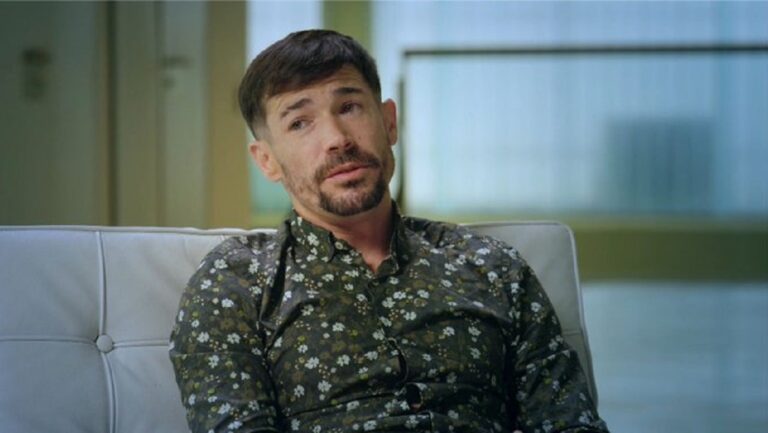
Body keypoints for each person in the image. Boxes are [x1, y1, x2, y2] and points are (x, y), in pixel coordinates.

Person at [169, 29, 609, 433]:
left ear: (389, 123)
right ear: (267, 160)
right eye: (300, 122)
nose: (337, 138)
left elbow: (568, 422)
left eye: (349, 107)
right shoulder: (237, 281)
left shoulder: (491, 266)